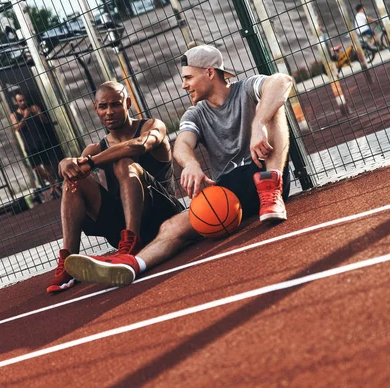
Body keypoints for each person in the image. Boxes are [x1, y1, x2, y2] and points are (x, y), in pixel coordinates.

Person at [64, 45, 292, 287]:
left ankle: (271, 189)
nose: (184, 85)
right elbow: (182, 143)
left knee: (272, 108)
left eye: (188, 77)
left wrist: (259, 123)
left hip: (264, 171)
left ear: (210, 73)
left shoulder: (247, 88)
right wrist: (191, 163)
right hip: (227, 192)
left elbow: (282, 81)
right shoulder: (194, 115)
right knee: (171, 226)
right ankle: (131, 265)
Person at [45, 81, 185, 292]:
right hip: (119, 227)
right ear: (96, 108)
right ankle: (68, 261)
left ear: (127, 103)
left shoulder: (152, 126)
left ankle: (132, 242)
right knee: (74, 181)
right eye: (103, 107)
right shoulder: (95, 148)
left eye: (115, 105)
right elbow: (76, 169)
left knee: (124, 162)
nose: (109, 112)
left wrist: (92, 161)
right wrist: (65, 164)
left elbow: (138, 145)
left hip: (162, 215)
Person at [10, 93, 62, 200]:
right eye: (20, 101)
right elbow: (16, 128)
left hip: (41, 140)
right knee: (37, 169)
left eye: (24, 100)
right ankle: (54, 184)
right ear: (16, 102)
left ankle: (53, 188)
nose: (23, 102)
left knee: (47, 166)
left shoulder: (34, 107)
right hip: (29, 145)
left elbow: (46, 121)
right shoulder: (14, 115)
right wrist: (25, 117)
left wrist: (39, 114)